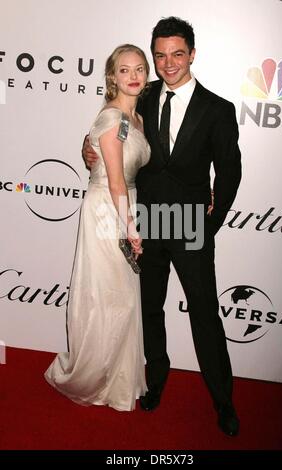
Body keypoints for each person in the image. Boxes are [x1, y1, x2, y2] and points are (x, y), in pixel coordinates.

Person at [83, 17, 242, 435]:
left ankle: (223, 400)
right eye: (159, 55)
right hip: (147, 221)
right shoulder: (143, 94)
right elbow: (109, 128)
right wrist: (87, 148)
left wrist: (212, 223)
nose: (167, 63)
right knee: (150, 310)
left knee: (205, 314)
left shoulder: (218, 109)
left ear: (191, 53)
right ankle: (155, 381)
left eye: (176, 54)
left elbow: (230, 172)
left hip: (191, 224)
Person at [45, 44, 151, 411]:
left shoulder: (135, 118)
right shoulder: (113, 118)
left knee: (121, 297)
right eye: (124, 70)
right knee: (108, 296)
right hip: (109, 209)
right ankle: (92, 376)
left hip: (124, 206)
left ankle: (115, 381)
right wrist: (130, 228)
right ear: (112, 76)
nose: (133, 76)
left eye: (139, 69)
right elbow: (116, 180)